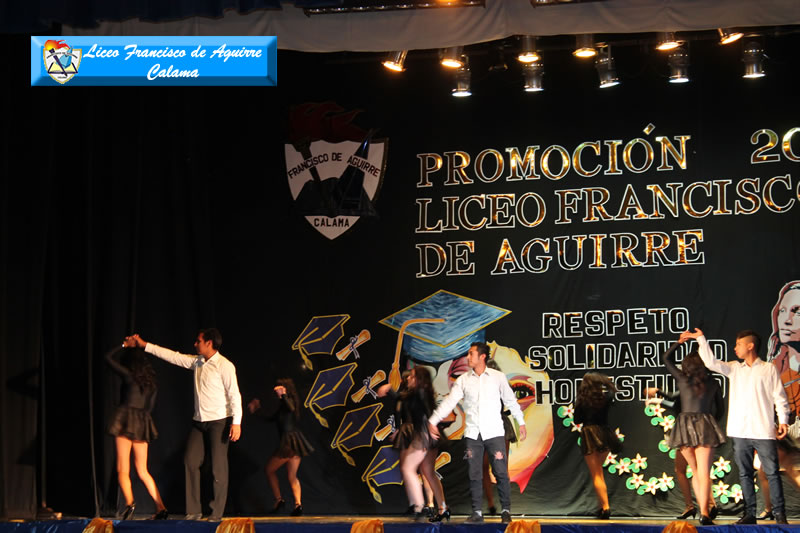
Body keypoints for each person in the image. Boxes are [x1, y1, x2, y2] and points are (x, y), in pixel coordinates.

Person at [125, 329, 242, 521]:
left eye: (198, 341)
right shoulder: (198, 362)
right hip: (199, 421)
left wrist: (236, 423)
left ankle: (216, 512)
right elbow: (173, 356)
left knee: (218, 467)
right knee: (190, 460)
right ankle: (194, 510)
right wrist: (145, 345)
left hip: (219, 421)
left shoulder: (225, 365)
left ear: (209, 343)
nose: (195, 344)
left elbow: (234, 395)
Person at [686, 327, 790, 524]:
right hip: (740, 430)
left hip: (763, 429)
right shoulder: (734, 368)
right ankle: (749, 513)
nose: (735, 348)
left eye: (739, 344)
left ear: (750, 346)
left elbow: (779, 396)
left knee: (772, 473)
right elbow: (711, 362)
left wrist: (783, 420)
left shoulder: (768, 369)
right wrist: (701, 339)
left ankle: (779, 514)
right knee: (745, 473)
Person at [428, 342, 527, 524]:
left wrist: (521, 422)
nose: (468, 357)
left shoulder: (497, 377)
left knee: (500, 472)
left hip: (494, 432)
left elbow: (510, 401)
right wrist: (432, 421)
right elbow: (449, 402)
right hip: (473, 433)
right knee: (474, 473)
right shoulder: (463, 380)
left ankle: (506, 511)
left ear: (482, 356)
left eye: (471, 354)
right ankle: (477, 513)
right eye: (468, 354)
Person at [662, 339, 726, 524]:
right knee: (703, 472)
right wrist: (711, 422)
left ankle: (702, 511)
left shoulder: (683, 379)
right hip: (705, 424)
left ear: (686, 366)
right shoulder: (713, 382)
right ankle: (704, 512)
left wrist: (679, 342)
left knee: (695, 470)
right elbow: (720, 409)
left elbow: (666, 358)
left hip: (684, 426)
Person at [377, 366, 449, 522]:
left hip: (424, 435)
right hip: (427, 435)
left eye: (412, 376)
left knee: (408, 468)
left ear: (419, 380)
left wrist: (431, 426)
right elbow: (401, 399)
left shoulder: (420, 393)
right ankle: (443, 508)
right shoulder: (416, 393)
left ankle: (419, 506)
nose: (408, 378)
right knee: (428, 472)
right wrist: (389, 389)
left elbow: (427, 411)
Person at [106, 345, 168, 520]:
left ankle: (129, 503)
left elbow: (107, 358)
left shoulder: (128, 375)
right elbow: (149, 408)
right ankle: (161, 507)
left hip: (126, 420)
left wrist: (122, 345)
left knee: (122, 469)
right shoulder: (151, 383)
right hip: (142, 422)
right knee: (143, 470)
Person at [644, 387, 721, 521]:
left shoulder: (693, 384)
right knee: (680, 469)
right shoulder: (692, 388)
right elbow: (676, 404)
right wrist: (657, 400)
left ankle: (709, 504)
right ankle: (690, 506)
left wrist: (657, 391)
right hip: (686, 431)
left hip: (690, 432)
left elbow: (673, 396)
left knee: (697, 470)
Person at [247, 378, 313, 516]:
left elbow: (291, 407)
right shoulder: (282, 407)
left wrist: (283, 395)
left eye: (279, 389)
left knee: (269, 469)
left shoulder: (290, 402)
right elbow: (270, 419)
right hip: (294, 443)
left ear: (286, 389)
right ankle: (298, 505)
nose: (276, 391)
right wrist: (257, 410)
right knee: (291, 476)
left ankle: (279, 500)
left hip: (290, 443)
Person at [574, 372, 621, 519]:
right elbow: (613, 390)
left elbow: (577, 420)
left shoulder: (582, 400)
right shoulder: (606, 397)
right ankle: (602, 507)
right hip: (605, 434)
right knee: (599, 473)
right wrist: (606, 382)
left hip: (590, 434)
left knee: (597, 475)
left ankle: (606, 508)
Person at [482, 358, 517, 516]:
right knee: (484, 466)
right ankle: (492, 504)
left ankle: (504, 507)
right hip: (484, 424)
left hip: (497, 424)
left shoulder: (500, 385)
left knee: (500, 467)